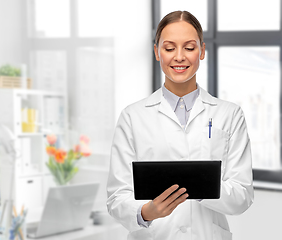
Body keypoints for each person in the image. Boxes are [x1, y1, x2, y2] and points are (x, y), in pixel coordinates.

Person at [107, 10, 253, 240]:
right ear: (157, 52)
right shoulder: (132, 117)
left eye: (189, 47)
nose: (179, 56)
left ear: (202, 51)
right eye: (169, 47)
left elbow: (242, 196)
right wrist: (147, 212)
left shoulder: (229, 114)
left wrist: (200, 186)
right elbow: (117, 197)